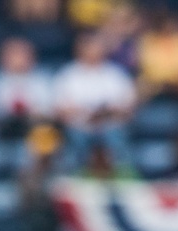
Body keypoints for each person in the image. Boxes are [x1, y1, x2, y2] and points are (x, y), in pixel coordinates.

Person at [52, 29, 136, 171]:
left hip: (110, 126)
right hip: (79, 127)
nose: (94, 51)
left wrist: (106, 112)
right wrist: (83, 113)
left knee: (116, 137)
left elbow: (128, 106)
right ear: (80, 49)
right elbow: (59, 109)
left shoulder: (115, 74)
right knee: (75, 139)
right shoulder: (67, 75)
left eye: (97, 47)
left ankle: (123, 176)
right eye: (89, 47)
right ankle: (75, 176)